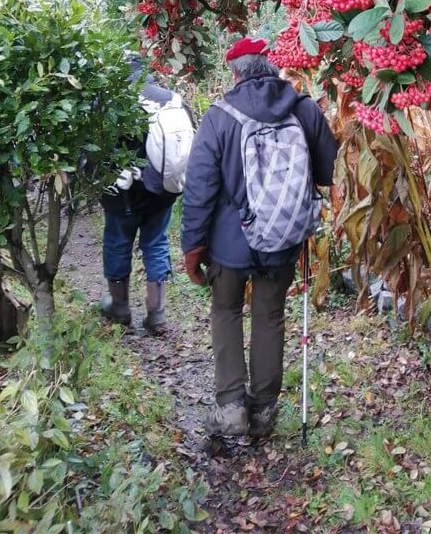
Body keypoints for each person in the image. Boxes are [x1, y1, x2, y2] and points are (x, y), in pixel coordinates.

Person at [181, 36, 337, 440]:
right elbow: (326, 170)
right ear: (269, 66)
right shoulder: (302, 108)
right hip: (283, 237)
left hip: (229, 242)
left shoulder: (220, 116)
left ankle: (231, 406)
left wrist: (193, 248)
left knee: (226, 311)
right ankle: (264, 410)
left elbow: (199, 187)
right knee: (269, 315)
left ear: (235, 73)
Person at [100, 58, 190, 335]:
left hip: (124, 194)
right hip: (163, 191)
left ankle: (120, 307)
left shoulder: (117, 103)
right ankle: (157, 315)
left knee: (118, 242)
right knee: (157, 243)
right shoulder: (172, 101)